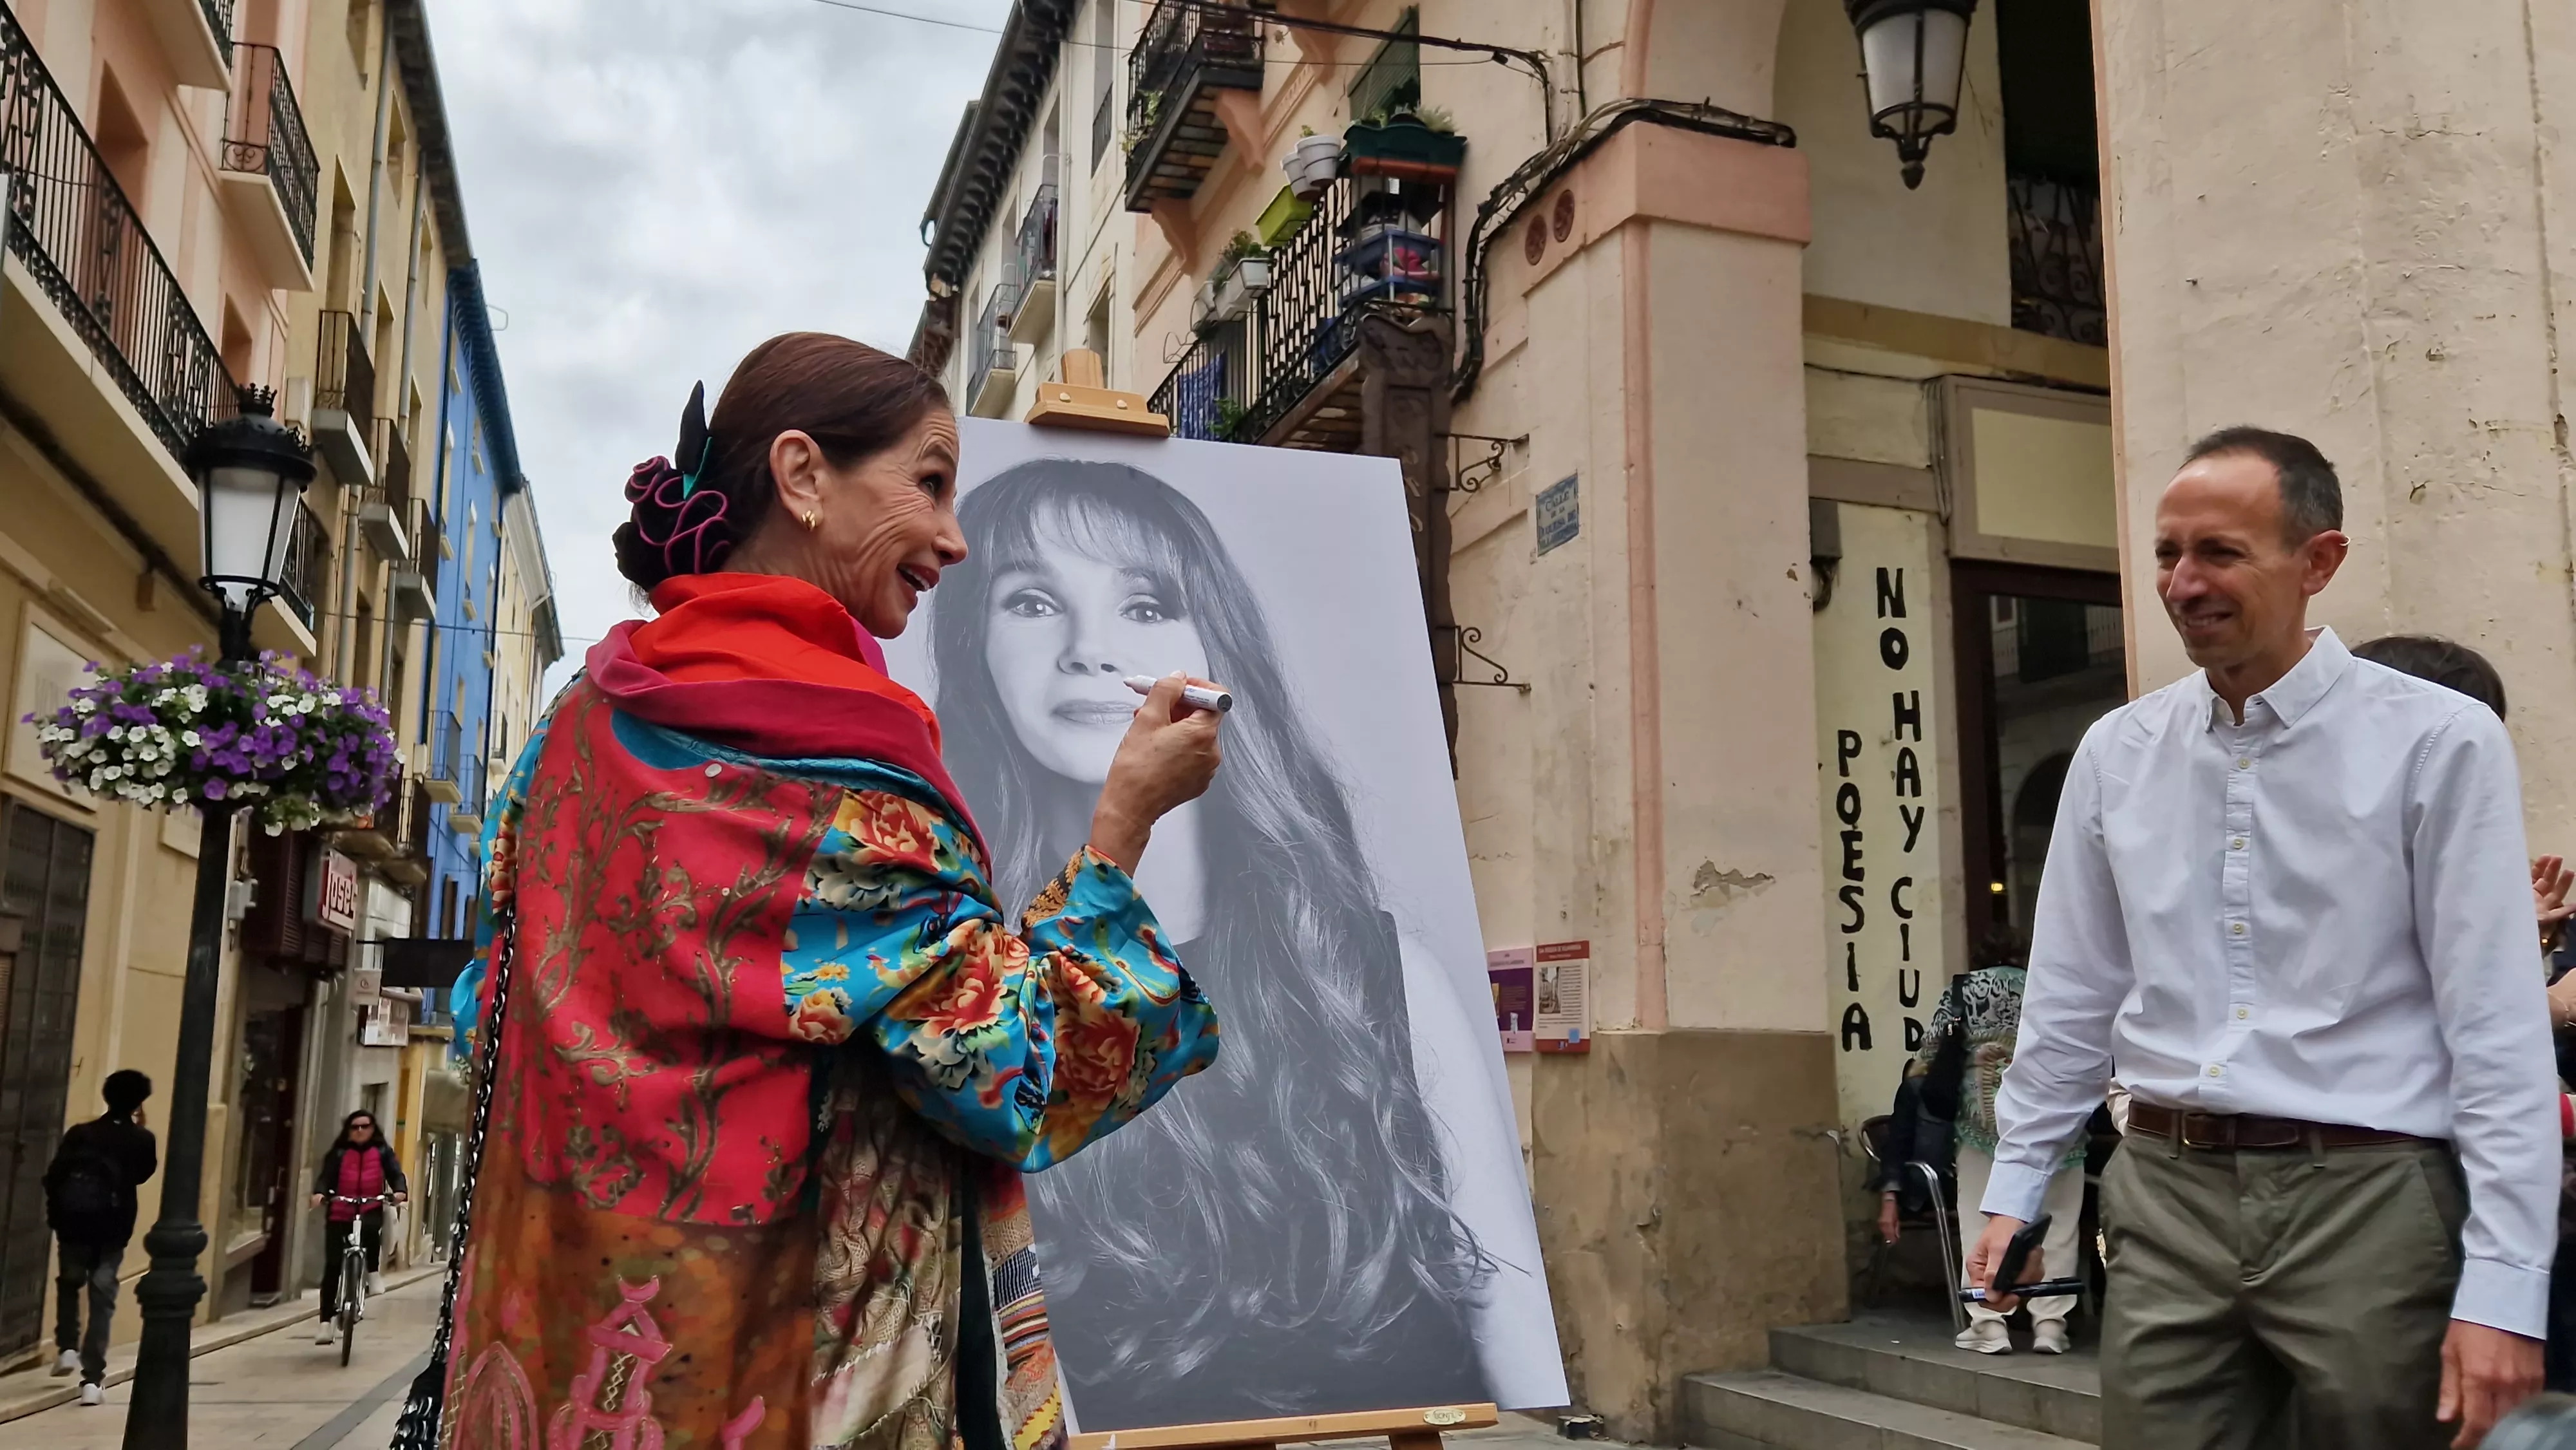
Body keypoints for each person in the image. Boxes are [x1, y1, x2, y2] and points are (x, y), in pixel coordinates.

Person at [426, 334, 1224, 1450]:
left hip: (561, 1348)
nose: (955, 538)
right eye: (932, 483)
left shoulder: (575, 723)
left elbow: (486, 1018)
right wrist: (1123, 826)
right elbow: (1015, 1072)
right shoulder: (839, 769)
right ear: (803, 476)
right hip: (782, 1377)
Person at [1969, 426, 2557, 1449]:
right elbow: (2073, 991)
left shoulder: (2437, 741)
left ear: (2318, 561)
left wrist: (2505, 1288)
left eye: (2220, 553)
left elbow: (2495, 1029)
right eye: (2166, 554)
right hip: (2164, 1190)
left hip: (2372, 1195)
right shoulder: (2117, 753)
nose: (2183, 582)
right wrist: (2017, 1188)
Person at [927, 459, 1501, 1426]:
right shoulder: (953, 983)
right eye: (1030, 601)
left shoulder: (1374, 974)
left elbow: (1501, 1319)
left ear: (1218, 651)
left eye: (1145, 605)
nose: (1088, 650)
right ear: (974, 648)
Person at [1877, 928, 2085, 1355]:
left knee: (1981, 1219)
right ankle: (2051, 1325)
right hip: (2056, 1122)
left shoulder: (1963, 992)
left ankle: (1990, 1324)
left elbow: (1928, 1058)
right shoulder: (2051, 990)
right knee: (2058, 1222)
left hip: (1980, 1126)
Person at [43, 1069, 155, 1407]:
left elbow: (54, 1176)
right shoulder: (141, 1139)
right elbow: (143, 1174)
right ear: (138, 1100)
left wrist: (59, 1213)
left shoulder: (81, 1133)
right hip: (114, 1227)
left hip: (75, 1222)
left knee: (70, 1281)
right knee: (102, 1296)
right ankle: (92, 1379)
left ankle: (66, 1347)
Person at [310, 1109, 408, 1342]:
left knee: (372, 1230)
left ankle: (373, 1273)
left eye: (365, 1126)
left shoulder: (382, 1151)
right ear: (349, 1130)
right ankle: (326, 1322)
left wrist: (400, 1190)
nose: (361, 1131)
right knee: (333, 1265)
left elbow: (395, 1173)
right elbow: (325, 1177)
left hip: (369, 1206)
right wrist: (320, 1194)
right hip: (340, 1211)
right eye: (356, 1127)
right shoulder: (339, 1153)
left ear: (373, 1129)